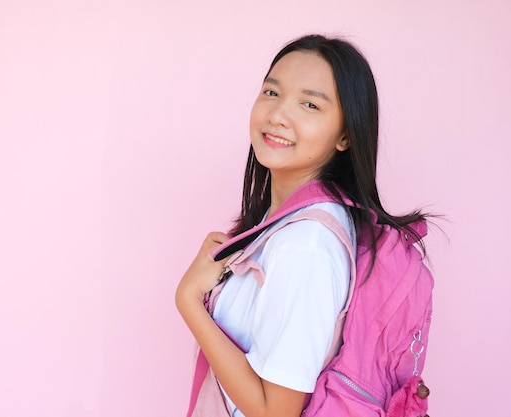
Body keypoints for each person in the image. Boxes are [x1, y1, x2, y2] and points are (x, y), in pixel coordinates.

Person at [175, 34, 427, 417]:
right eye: (272, 93)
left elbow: (275, 412)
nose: (277, 115)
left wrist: (189, 300)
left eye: (309, 104)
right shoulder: (289, 225)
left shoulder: (305, 243)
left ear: (345, 135)